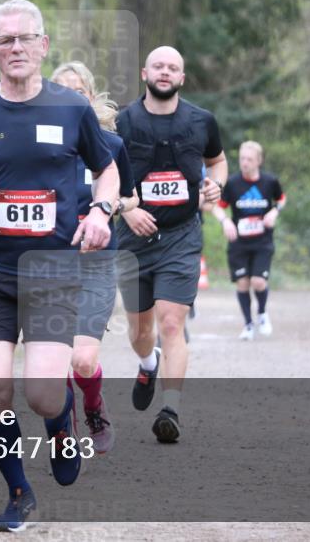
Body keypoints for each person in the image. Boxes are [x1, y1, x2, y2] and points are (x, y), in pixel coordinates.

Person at [0, 0, 121, 531]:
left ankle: (61, 424)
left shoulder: (71, 109)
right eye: (5, 40)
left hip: (52, 272)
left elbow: (108, 171)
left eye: (25, 38)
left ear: (43, 46)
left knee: (42, 394)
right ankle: (18, 493)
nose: (16, 47)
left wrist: (102, 211)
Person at [114, 46, 227, 443]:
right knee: (140, 330)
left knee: (172, 322)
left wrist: (217, 185)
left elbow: (217, 161)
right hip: (133, 240)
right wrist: (126, 210)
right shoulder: (122, 123)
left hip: (182, 236)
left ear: (182, 78)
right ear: (145, 73)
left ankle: (171, 409)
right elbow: (103, 174)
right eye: (158, 66)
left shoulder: (201, 120)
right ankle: (148, 363)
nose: (165, 72)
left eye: (173, 67)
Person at [51, 61, 138, 455]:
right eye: (61, 92)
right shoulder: (39, 149)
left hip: (97, 264)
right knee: (55, 359)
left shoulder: (110, 145)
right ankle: (63, 426)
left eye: (78, 92)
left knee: (83, 360)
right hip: (50, 263)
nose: (70, 99)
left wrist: (110, 206)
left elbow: (132, 197)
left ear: (90, 97)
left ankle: (93, 406)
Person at [210, 141, 286, 340]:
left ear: (259, 161)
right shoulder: (233, 183)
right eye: (242, 159)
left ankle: (262, 313)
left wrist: (274, 212)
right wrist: (225, 221)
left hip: (262, 242)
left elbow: (281, 198)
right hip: (239, 243)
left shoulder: (270, 181)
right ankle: (248, 325)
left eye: (249, 159)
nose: (245, 163)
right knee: (243, 284)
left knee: (258, 282)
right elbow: (216, 207)